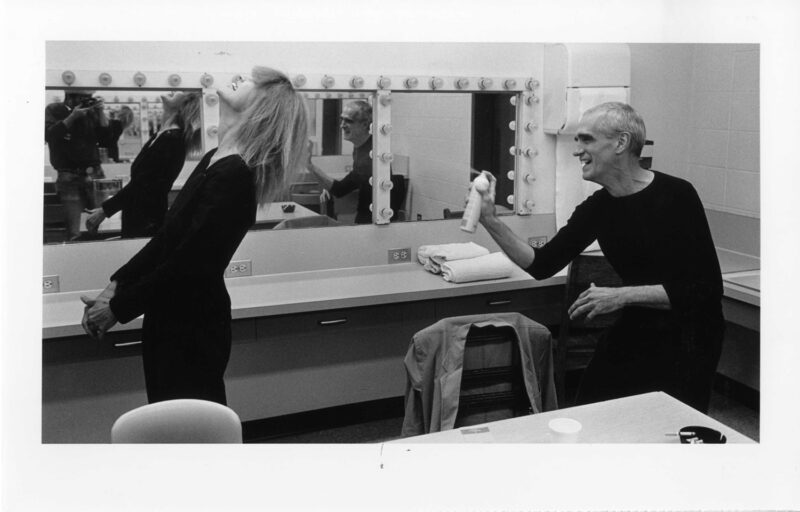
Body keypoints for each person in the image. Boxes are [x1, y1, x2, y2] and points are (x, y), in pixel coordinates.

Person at [80, 67, 309, 405]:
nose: (238, 79)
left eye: (249, 82)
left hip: (192, 326)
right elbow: (167, 239)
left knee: (190, 428)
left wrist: (118, 307)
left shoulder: (235, 175)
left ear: (260, 106)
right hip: (172, 312)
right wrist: (117, 283)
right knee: (170, 418)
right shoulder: (215, 158)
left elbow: (190, 263)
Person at [476, 102, 724, 413]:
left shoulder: (678, 196)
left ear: (620, 143)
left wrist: (620, 296)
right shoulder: (598, 208)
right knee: (590, 410)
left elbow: (705, 290)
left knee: (666, 428)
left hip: (690, 336)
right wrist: (490, 220)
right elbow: (542, 264)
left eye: (587, 140)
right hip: (638, 326)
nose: (577, 150)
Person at [85, 92, 202, 238]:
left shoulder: (172, 140)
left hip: (146, 218)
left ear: (180, 108)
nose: (173, 92)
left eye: (178, 94)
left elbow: (142, 184)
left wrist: (105, 210)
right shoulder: (163, 136)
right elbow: (141, 182)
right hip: (140, 215)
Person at [304, 100, 386, 224]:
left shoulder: (369, 155)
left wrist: (310, 166)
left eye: (348, 121)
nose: (342, 125)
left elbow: (340, 190)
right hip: (368, 215)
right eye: (342, 119)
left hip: (372, 219)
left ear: (365, 125)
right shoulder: (361, 147)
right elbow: (342, 187)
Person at [45, 90, 110, 240]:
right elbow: (49, 135)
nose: (86, 101)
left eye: (89, 98)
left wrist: (100, 112)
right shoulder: (54, 110)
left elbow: (107, 140)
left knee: (104, 225)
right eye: (83, 98)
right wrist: (72, 117)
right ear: (69, 97)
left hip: (95, 172)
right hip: (68, 175)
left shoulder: (91, 111)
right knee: (74, 231)